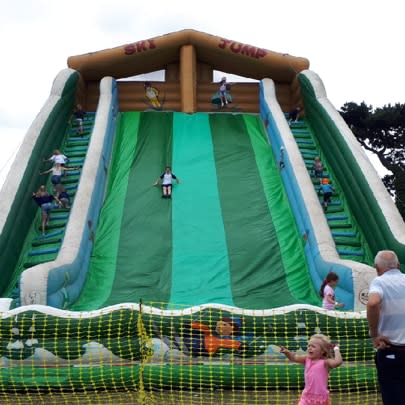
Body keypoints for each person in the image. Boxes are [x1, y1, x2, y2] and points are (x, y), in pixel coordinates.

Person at [367, 250, 405, 405]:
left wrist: (374, 334)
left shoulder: (379, 282)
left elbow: (373, 302)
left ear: (376, 267)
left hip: (391, 348)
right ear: (398, 265)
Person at [280, 334, 343, 405]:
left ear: (322, 351)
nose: (309, 348)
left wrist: (336, 349)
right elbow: (294, 358)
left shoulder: (325, 362)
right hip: (306, 396)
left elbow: (338, 362)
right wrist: (287, 353)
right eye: (309, 346)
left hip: (320, 398)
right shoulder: (307, 359)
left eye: (313, 346)